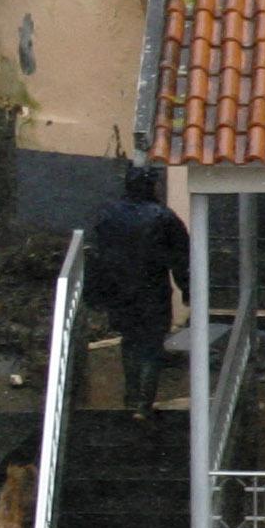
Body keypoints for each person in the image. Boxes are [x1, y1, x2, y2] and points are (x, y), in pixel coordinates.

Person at [85, 163, 191, 424]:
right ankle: (143, 405)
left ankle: (132, 397)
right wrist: (188, 288)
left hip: (120, 292)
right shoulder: (164, 218)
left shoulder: (108, 216)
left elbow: (95, 256)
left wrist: (95, 293)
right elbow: (181, 259)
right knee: (151, 346)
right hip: (152, 292)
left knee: (130, 341)